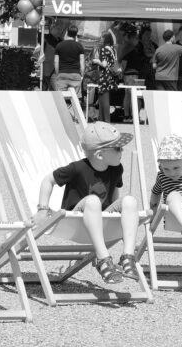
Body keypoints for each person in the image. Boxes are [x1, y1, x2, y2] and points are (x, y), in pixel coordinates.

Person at [36, 121, 141, 284]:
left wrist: (116, 218)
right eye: (117, 148)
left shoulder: (116, 168)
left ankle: (128, 257)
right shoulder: (76, 168)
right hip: (74, 218)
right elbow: (47, 180)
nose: (122, 151)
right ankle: (103, 259)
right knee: (93, 201)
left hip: (99, 219)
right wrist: (42, 209)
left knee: (130, 201)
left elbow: (114, 194)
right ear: (100, 155)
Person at [91, 32, 120, 122]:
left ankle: (105, 120)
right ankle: (103, 119)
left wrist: (96, 61)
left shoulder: (103, 49)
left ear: (106, 39)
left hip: (104, 75)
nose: (100, 40)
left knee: (103, 98)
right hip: (111, 76)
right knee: (104, 97)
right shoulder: (113, 49)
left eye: (102, 38)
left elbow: (104, 64)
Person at [52, 25, 86, 100]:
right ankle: (73, 111)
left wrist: (58, 73)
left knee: (61, 99)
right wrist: (82, 75)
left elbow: (56, 61)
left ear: (67, 32)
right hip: (75, 75)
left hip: (62, 75)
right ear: (76, 34)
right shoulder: (79, 46)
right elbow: (82, 62)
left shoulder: (59, 45)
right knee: (75, 99)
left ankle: (62, 111)